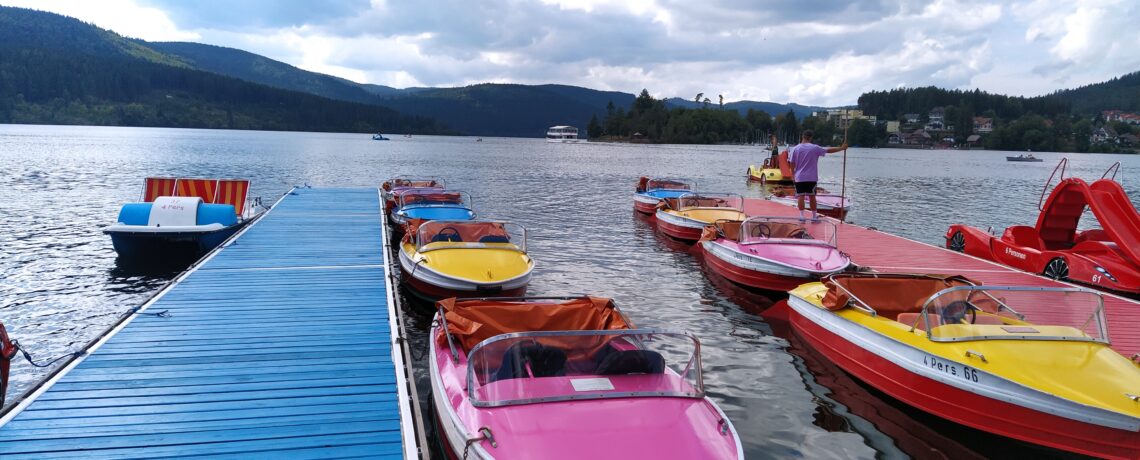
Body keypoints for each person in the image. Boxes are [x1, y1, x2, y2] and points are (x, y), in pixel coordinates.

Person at [787, 130, 847, 222]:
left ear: (802, 137)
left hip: (799, 177)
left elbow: (791, 163)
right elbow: (828, 150)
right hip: (811, 177)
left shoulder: (795, 149)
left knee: (801, 196)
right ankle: (814, 217)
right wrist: (841, 148)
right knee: (812, 196)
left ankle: (802, 216)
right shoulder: (815, 148)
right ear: (811, 138)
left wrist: (792, 175)